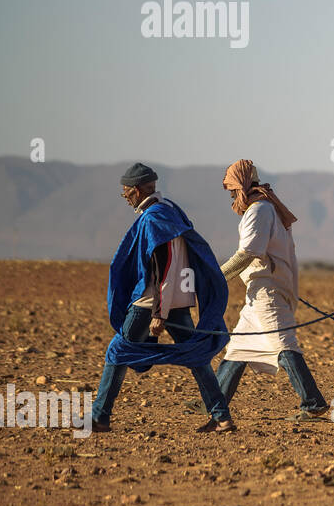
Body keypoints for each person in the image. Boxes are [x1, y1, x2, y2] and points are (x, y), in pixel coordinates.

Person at [96, 162, 235, 433]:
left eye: (126, 192)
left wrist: (160, 312)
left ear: (136, 190)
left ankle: (100, 417)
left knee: (118, 351)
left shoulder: (154, 218)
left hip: (151, 301)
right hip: (178, 297)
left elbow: (164, 263)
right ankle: (222, 417)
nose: (125, 197)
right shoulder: (171, 210)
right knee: (195, 357)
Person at [207, 159, 329, 420]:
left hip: (267, 290)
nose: (230, 194)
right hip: (260, 290)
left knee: (284, 345)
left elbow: (249, 252)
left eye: (231, 188)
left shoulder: (259, 210)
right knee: (238, 347)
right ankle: (214, 400)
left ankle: (313, 403)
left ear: (240, 185)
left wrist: (215, 277)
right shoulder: (265, 208)